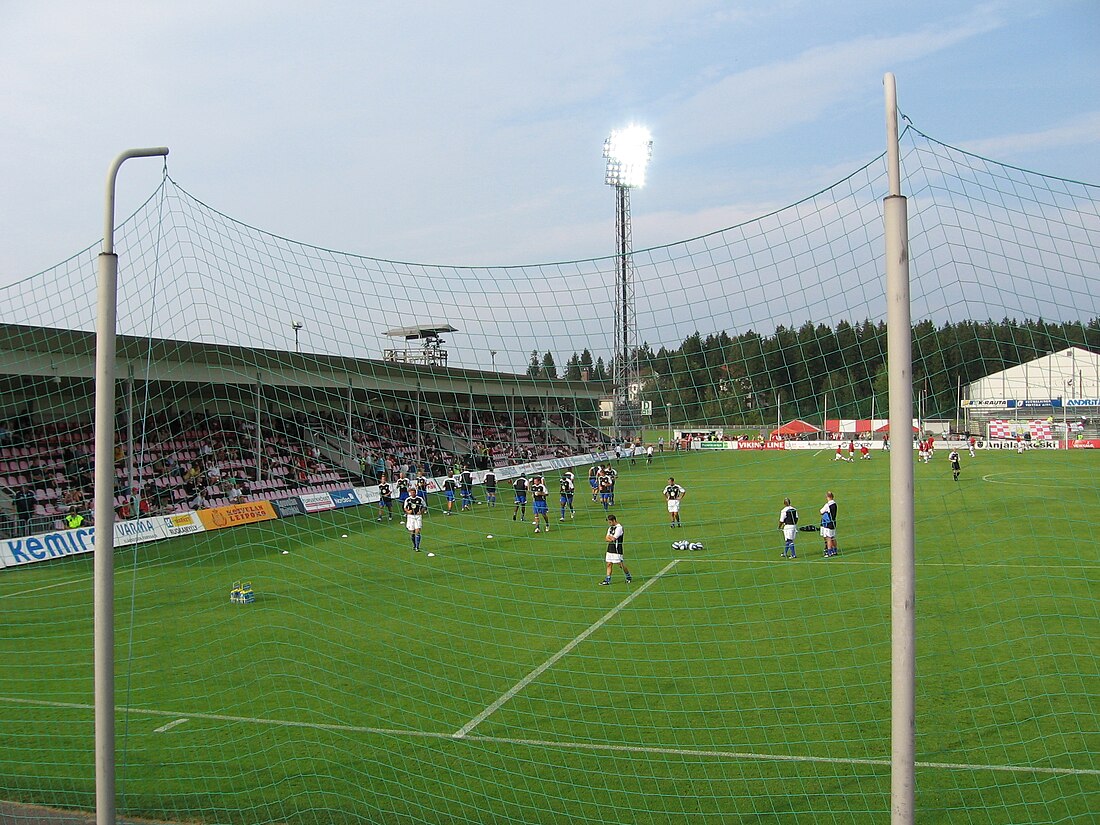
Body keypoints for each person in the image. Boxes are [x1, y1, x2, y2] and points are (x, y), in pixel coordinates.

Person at [599, 514, 632, 586]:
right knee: (608, 564)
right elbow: (606, 538)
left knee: (620, 564)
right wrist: (610, 538)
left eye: (610, 522)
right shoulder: (610, 528)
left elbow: (614, 538)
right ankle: (607, 580)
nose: (609, 524)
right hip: (610, 548)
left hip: (617, 549)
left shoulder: (619, 528)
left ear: (614, 520)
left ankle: (628, 576)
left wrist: (610, 538)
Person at [820, 491, 839, 557]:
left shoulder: (827, 505)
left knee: (828, 538)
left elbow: (821, 511)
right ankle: (835, 550)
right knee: (833, 537)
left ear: (827, 497)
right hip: (833, 522)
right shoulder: (835, 504)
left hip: (828, 523)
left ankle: (829, 552)